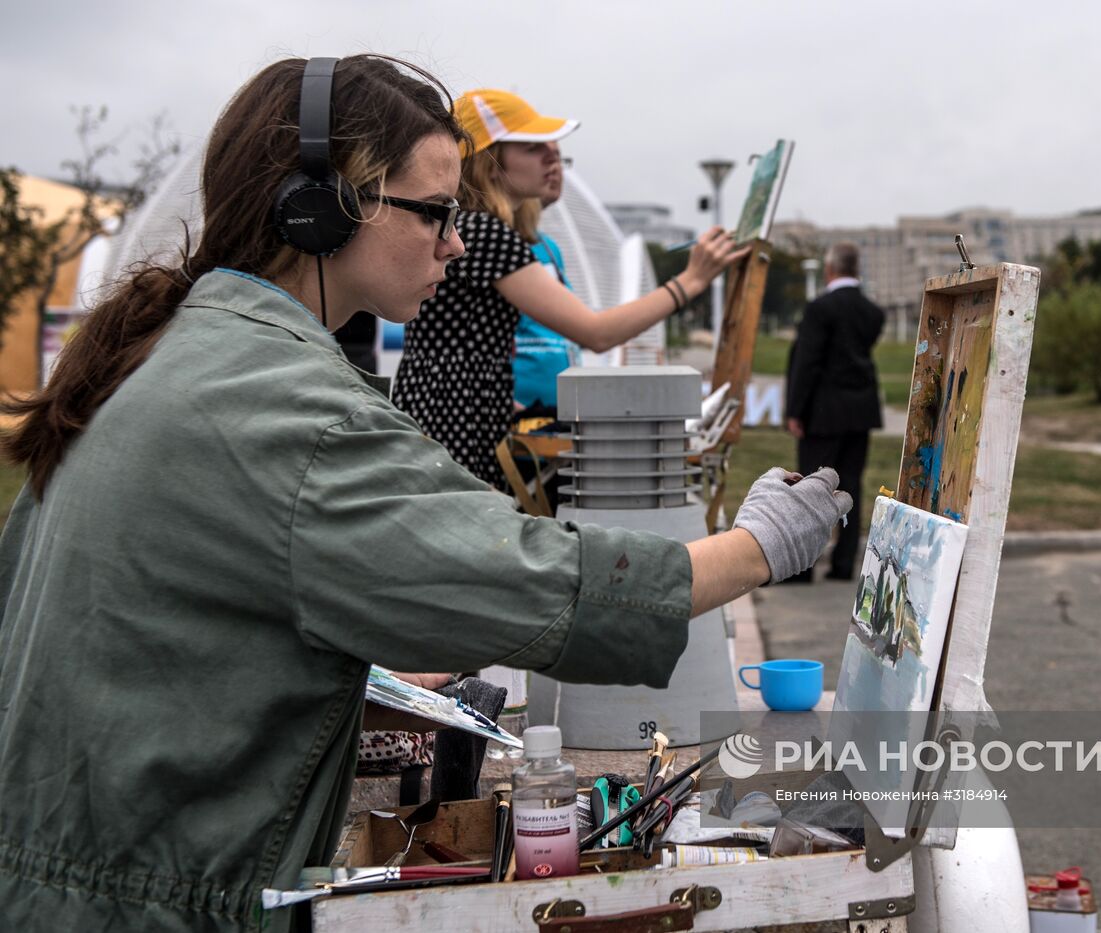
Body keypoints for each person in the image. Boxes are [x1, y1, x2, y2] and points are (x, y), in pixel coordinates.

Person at [0, 56, 848, 932]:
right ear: (326, 207)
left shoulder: (171, 353)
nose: (454, 240)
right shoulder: (280, 403)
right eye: (436, 212)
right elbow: (539, 582)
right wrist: (756, 547)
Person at [392, 89, 742, 489]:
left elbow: (460, 343)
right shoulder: (487, 232)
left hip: (444, 408)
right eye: (534, 147)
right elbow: (595, 332)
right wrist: (690, 282)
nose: (551, 158)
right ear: (491, 161)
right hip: (458, 420)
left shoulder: (469, 226)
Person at [785, 241, 886, 581]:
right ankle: (844, 564)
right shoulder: (873, 312)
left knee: (813, 486)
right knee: (852, 483)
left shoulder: (820, 309)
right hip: (860, 408)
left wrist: (794, 409)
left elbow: (807, 363)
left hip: (823, 411)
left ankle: (805, 566)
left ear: (829, 269)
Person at [512, 143, 576, 411]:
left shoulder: (549, 246)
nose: (554, 167)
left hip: (552, 413)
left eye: (560, 157)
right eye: (538, 153)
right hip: (515, 418)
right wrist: (687, 284)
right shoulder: (493, 240)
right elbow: (596, 332)